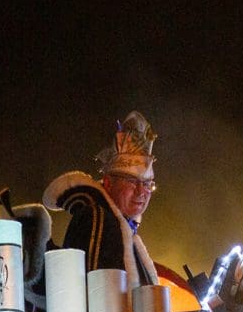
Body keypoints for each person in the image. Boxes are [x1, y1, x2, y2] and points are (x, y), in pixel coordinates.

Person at [44, 111, 162, 285]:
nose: (140, 192)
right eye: (131, 181)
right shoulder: (95, 218)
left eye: (147, 184)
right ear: (108, 183)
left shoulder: (125, 230)